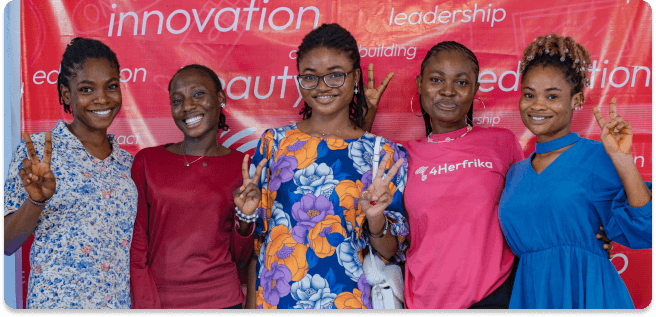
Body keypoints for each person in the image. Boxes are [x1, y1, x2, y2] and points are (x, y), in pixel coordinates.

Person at [245, 23, 408, 309]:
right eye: (310, 77)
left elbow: (389, 252)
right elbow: (257, 241)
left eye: (335, 75)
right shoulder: (274, 144)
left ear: (355, 77)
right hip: (277, 301)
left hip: (351, 300)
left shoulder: (383, 154)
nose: (322, 87)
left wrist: (375, 217)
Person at [498, 33, 652, 309]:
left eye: (552, 96)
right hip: (529, 295)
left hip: (588, 293)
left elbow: (647, 229)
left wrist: (622, 158)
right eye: (529, 94)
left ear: (576, 99)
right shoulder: (515, 173)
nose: (537, 105)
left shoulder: (596, 156)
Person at [3, 38, 136, 308]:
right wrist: (36, 201)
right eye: (86, 89)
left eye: (111, 86)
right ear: (66, 94)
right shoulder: (38, 152)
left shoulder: (129, 164)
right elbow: (7, 243)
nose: (102, 98)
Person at [129, 64, 267, 309]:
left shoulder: (242, 167)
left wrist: (245, 216)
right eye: (177, 100)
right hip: (161, 300)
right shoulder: (147, 162)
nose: (188, 106)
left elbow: (241, 258)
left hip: (223, 300)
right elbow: (137, 244)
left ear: (221, 98)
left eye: (198, 94)